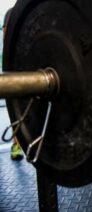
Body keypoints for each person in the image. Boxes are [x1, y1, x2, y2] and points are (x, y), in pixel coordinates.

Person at [2, 7, 23, 160]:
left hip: (28, 67)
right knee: (15, 111)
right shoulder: (10, 14)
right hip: (13, 69)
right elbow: (6, 39)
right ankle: (16, 144)